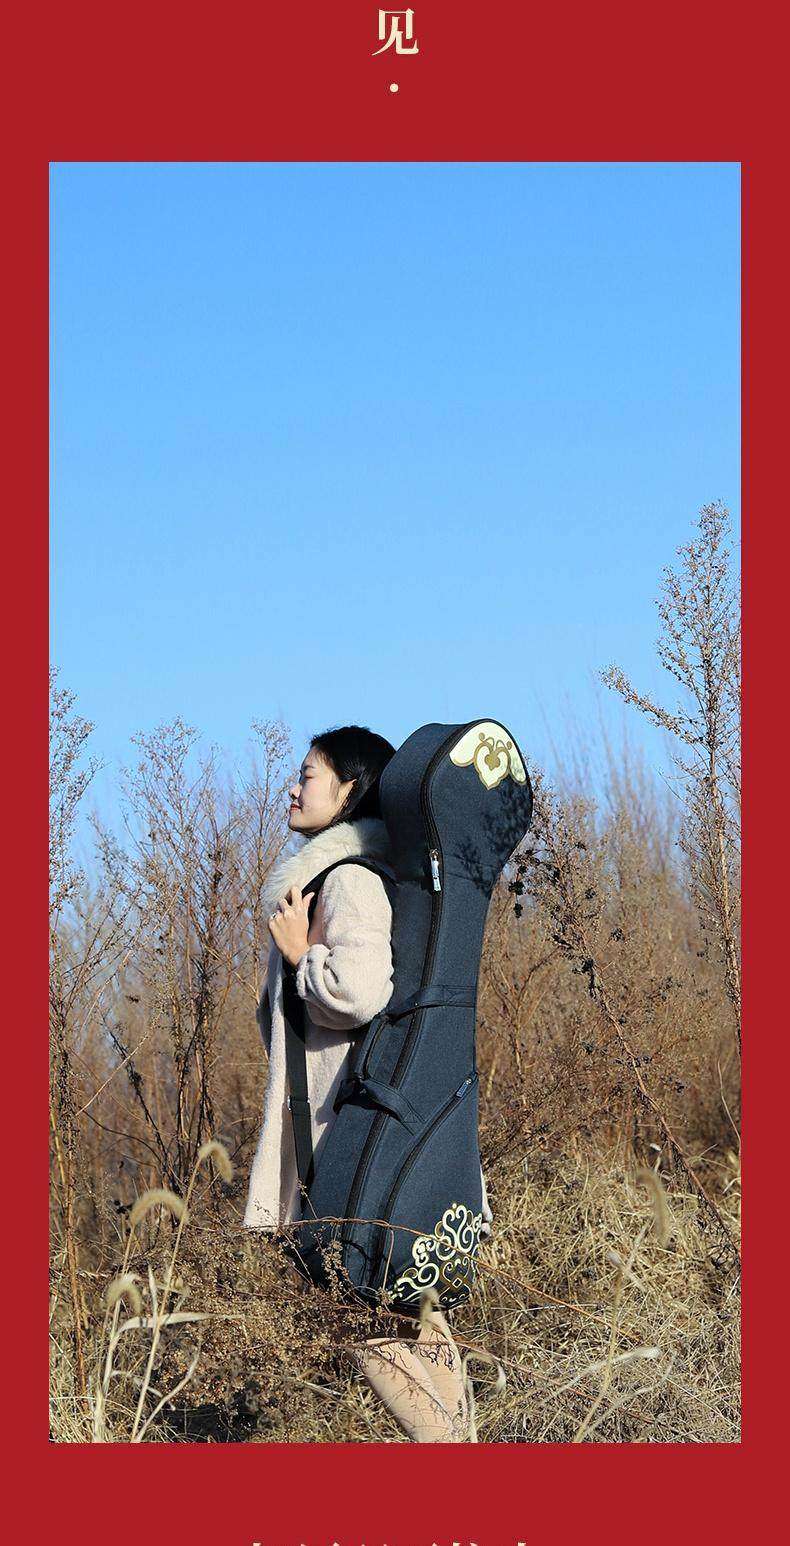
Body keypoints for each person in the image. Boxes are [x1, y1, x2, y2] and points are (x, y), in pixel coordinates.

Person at [243, 724, 492, 1442]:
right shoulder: (332, 877)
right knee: (405, 1306)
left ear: (350, 790)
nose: (293, 788)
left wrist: (301, 959)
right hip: (352, 1129)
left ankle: (448, 1451)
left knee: (355, 1310)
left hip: (340, 1137)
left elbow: (358, 990)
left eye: (308, 775)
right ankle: (464, 1444)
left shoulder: (349, 878)